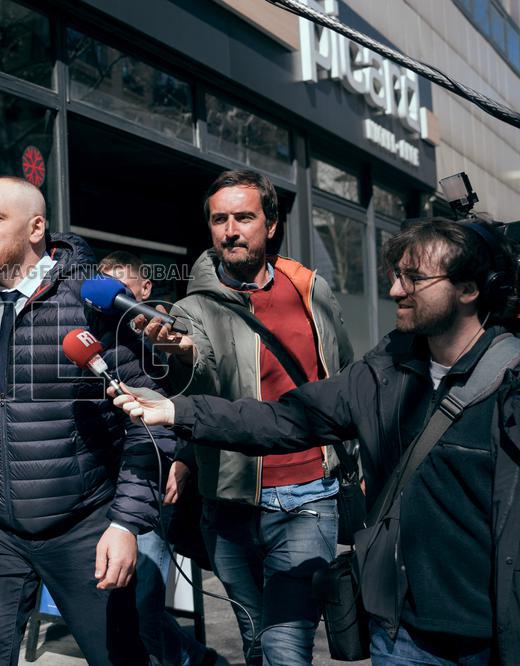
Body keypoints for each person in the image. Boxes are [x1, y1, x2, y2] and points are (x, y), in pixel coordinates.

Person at [113, 218, 520, 665]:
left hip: (495, 636)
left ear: (469, 289)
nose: (396, 290)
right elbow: (285, 419)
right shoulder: (386, 368)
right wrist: (178, 411)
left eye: (414, 279)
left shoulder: (511, 383)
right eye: (396, 276)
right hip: (401, 633)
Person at [0, 176, 174, 665]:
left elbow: (149, 422)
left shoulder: (93, 303)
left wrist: (126, 523)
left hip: (83, 524)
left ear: (36, 228)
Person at [136, 170, 353, 665]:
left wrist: (355, 457)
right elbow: (201, 365)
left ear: (270, 225)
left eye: (244, 217)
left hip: (308, 497)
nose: (231, 230)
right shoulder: (192, 308)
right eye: (220, 220)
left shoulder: (311, 289)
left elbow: (344, 374)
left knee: (285, 648)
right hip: (229, 503)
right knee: (255, 641)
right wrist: (182, 353)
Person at [98, 251, 218, 666]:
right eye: (105, 288)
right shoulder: (101, 335)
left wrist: (186, 457)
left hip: (157, 483)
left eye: (122, 288)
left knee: (144, 604)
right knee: (125, 605)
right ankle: (195, 657)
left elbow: (199, 395)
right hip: (113, 486)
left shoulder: (165, 330)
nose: (112, 298)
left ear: (145, 289)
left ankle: (190, 659)